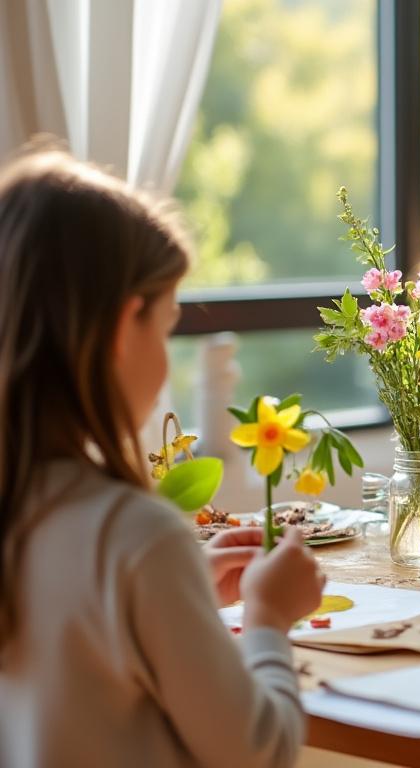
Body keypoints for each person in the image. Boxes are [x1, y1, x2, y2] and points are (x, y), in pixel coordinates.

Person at [0, 149, 325, 767]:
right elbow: (259, 751)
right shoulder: (134, 533)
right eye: (168, 325)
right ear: (127, 324)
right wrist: (268, 617)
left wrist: (183, 593)